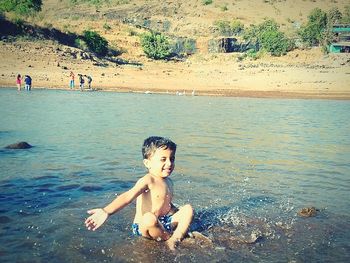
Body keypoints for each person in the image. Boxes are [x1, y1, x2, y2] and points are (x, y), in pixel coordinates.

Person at [84, 136, 194, 250]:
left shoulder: (169, 181)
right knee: (149, 218)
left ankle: (175, 238)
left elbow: (167, 205)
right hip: (144, 226)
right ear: (147, 163)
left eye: (172, 158)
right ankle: (168, 238)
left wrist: (178, 213)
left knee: (188, 209)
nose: (169, 163)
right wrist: (106, 211)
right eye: (163, 159)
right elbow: (128, 197)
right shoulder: (148, 180)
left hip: (162, 222)